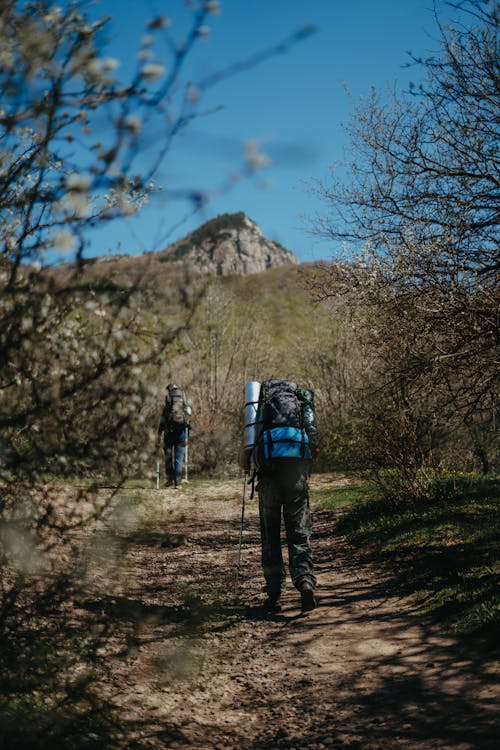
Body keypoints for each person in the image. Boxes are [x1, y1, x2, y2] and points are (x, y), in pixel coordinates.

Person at [253, 379, 320, 614]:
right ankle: (305, 584)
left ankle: (274, 594)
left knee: (270, 536)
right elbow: (314, 440)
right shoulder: (302, 403)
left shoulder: (262, 403)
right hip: (295, 477)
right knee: (299, 535)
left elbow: (252, 442)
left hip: (269, 476)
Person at [158, 384, 191, 489]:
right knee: (179, 458)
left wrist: (159, 433)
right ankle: (178, 483)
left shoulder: (168, 397)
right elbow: (189, 413)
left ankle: (170, 479)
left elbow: (163, 417)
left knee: (168, 455)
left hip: (169, 432)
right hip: (182, 431)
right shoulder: (183, 395)